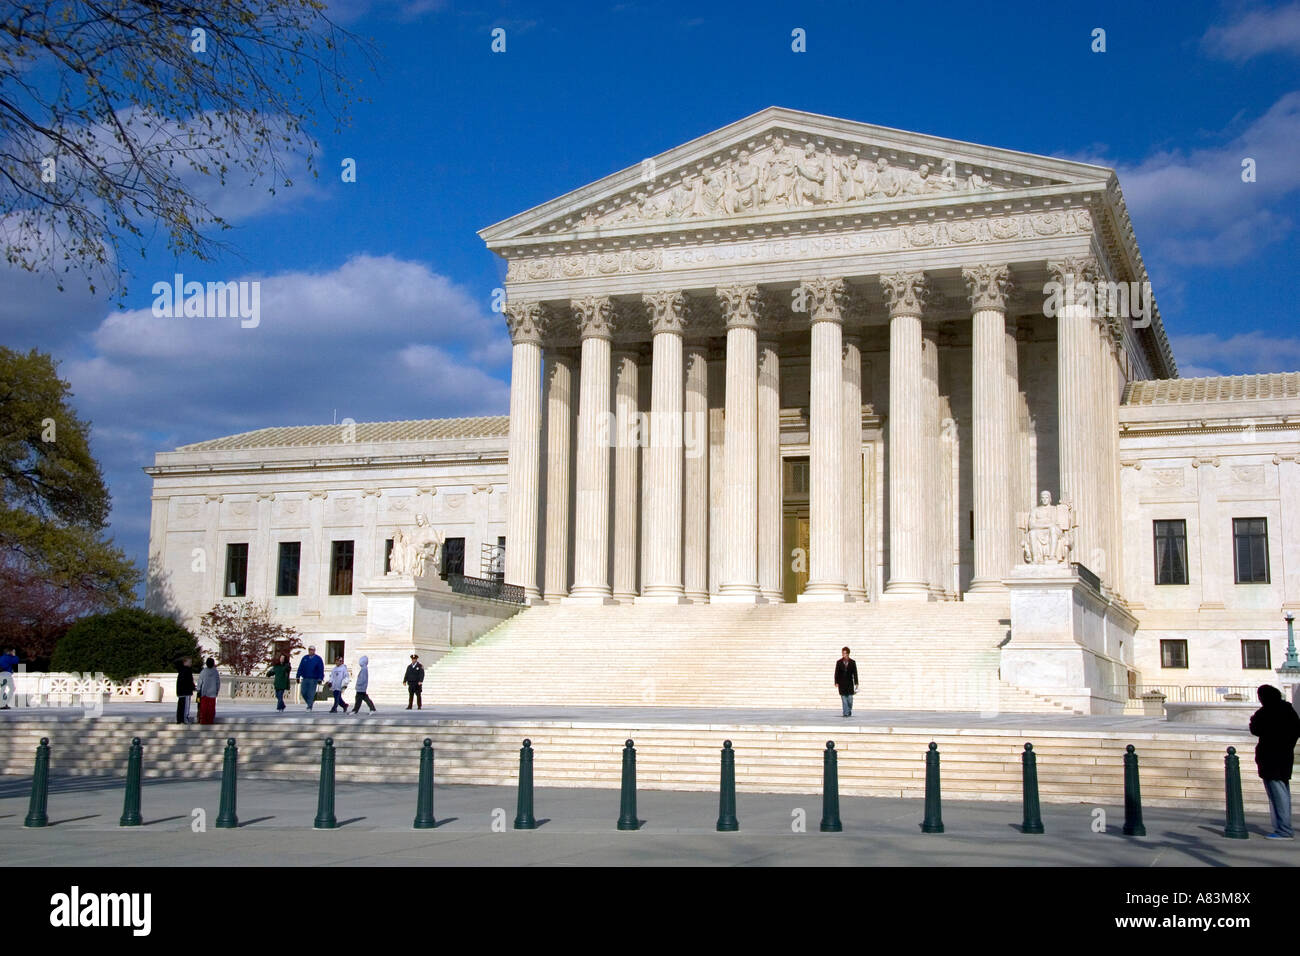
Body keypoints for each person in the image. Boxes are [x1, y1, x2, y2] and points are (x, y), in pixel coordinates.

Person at [1249, 684, 1300, 839]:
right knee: (1282, 793)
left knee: (1277, 795)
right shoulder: (1288, 711)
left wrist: (1253, 721)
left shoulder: (1267, 712)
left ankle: (1284, 829)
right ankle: (1282, 827)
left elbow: (1256, 729)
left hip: (1271, 759)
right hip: (1284, 758)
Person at [834, 646, 859, 717]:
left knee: (850, 699)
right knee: (844, 699)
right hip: (842, 684)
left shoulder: (852, 662)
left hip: (850, 684)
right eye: (843, 653)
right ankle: (845, 713)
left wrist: (856, 683)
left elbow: (855, 673)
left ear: (848, 654)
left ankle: (849, 710)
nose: (843, 655)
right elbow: (836, 673)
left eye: (845, 653)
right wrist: (836, 682)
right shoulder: (839, 662)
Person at [297, 645, 324, 711]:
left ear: (314, 651)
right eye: (309, 650)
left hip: (313, 679)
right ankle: (310, 702)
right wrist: (298, 676)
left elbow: (321, 669)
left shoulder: (318, 659)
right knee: (303, 692)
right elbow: (300, 667)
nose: (310, 651)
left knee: (311, 693)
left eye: (312, 650)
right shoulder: (305, 658)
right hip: (305, 678)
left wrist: (320, 678)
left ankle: (309, 706)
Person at [196, 658, 221, 725]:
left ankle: (204, 720)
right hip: (212, 693)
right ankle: (210, 721)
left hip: (204, 693)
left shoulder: (203, 671)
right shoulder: (215, 672)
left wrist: (198, 689)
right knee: (211, 708)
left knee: (204, 708)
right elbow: (218, 682)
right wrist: (217, 690)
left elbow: (200, 681)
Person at [175, 656, 196, 724]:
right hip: (186, 692)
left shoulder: (180, 670)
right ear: (185, 662)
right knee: (185, 706)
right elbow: (189, 681)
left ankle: (179, 719)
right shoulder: (187, 670)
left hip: (180, 692)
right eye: (190, 662)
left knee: (180, 706)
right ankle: (184, 719)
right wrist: (193, 688)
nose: (191, 663)